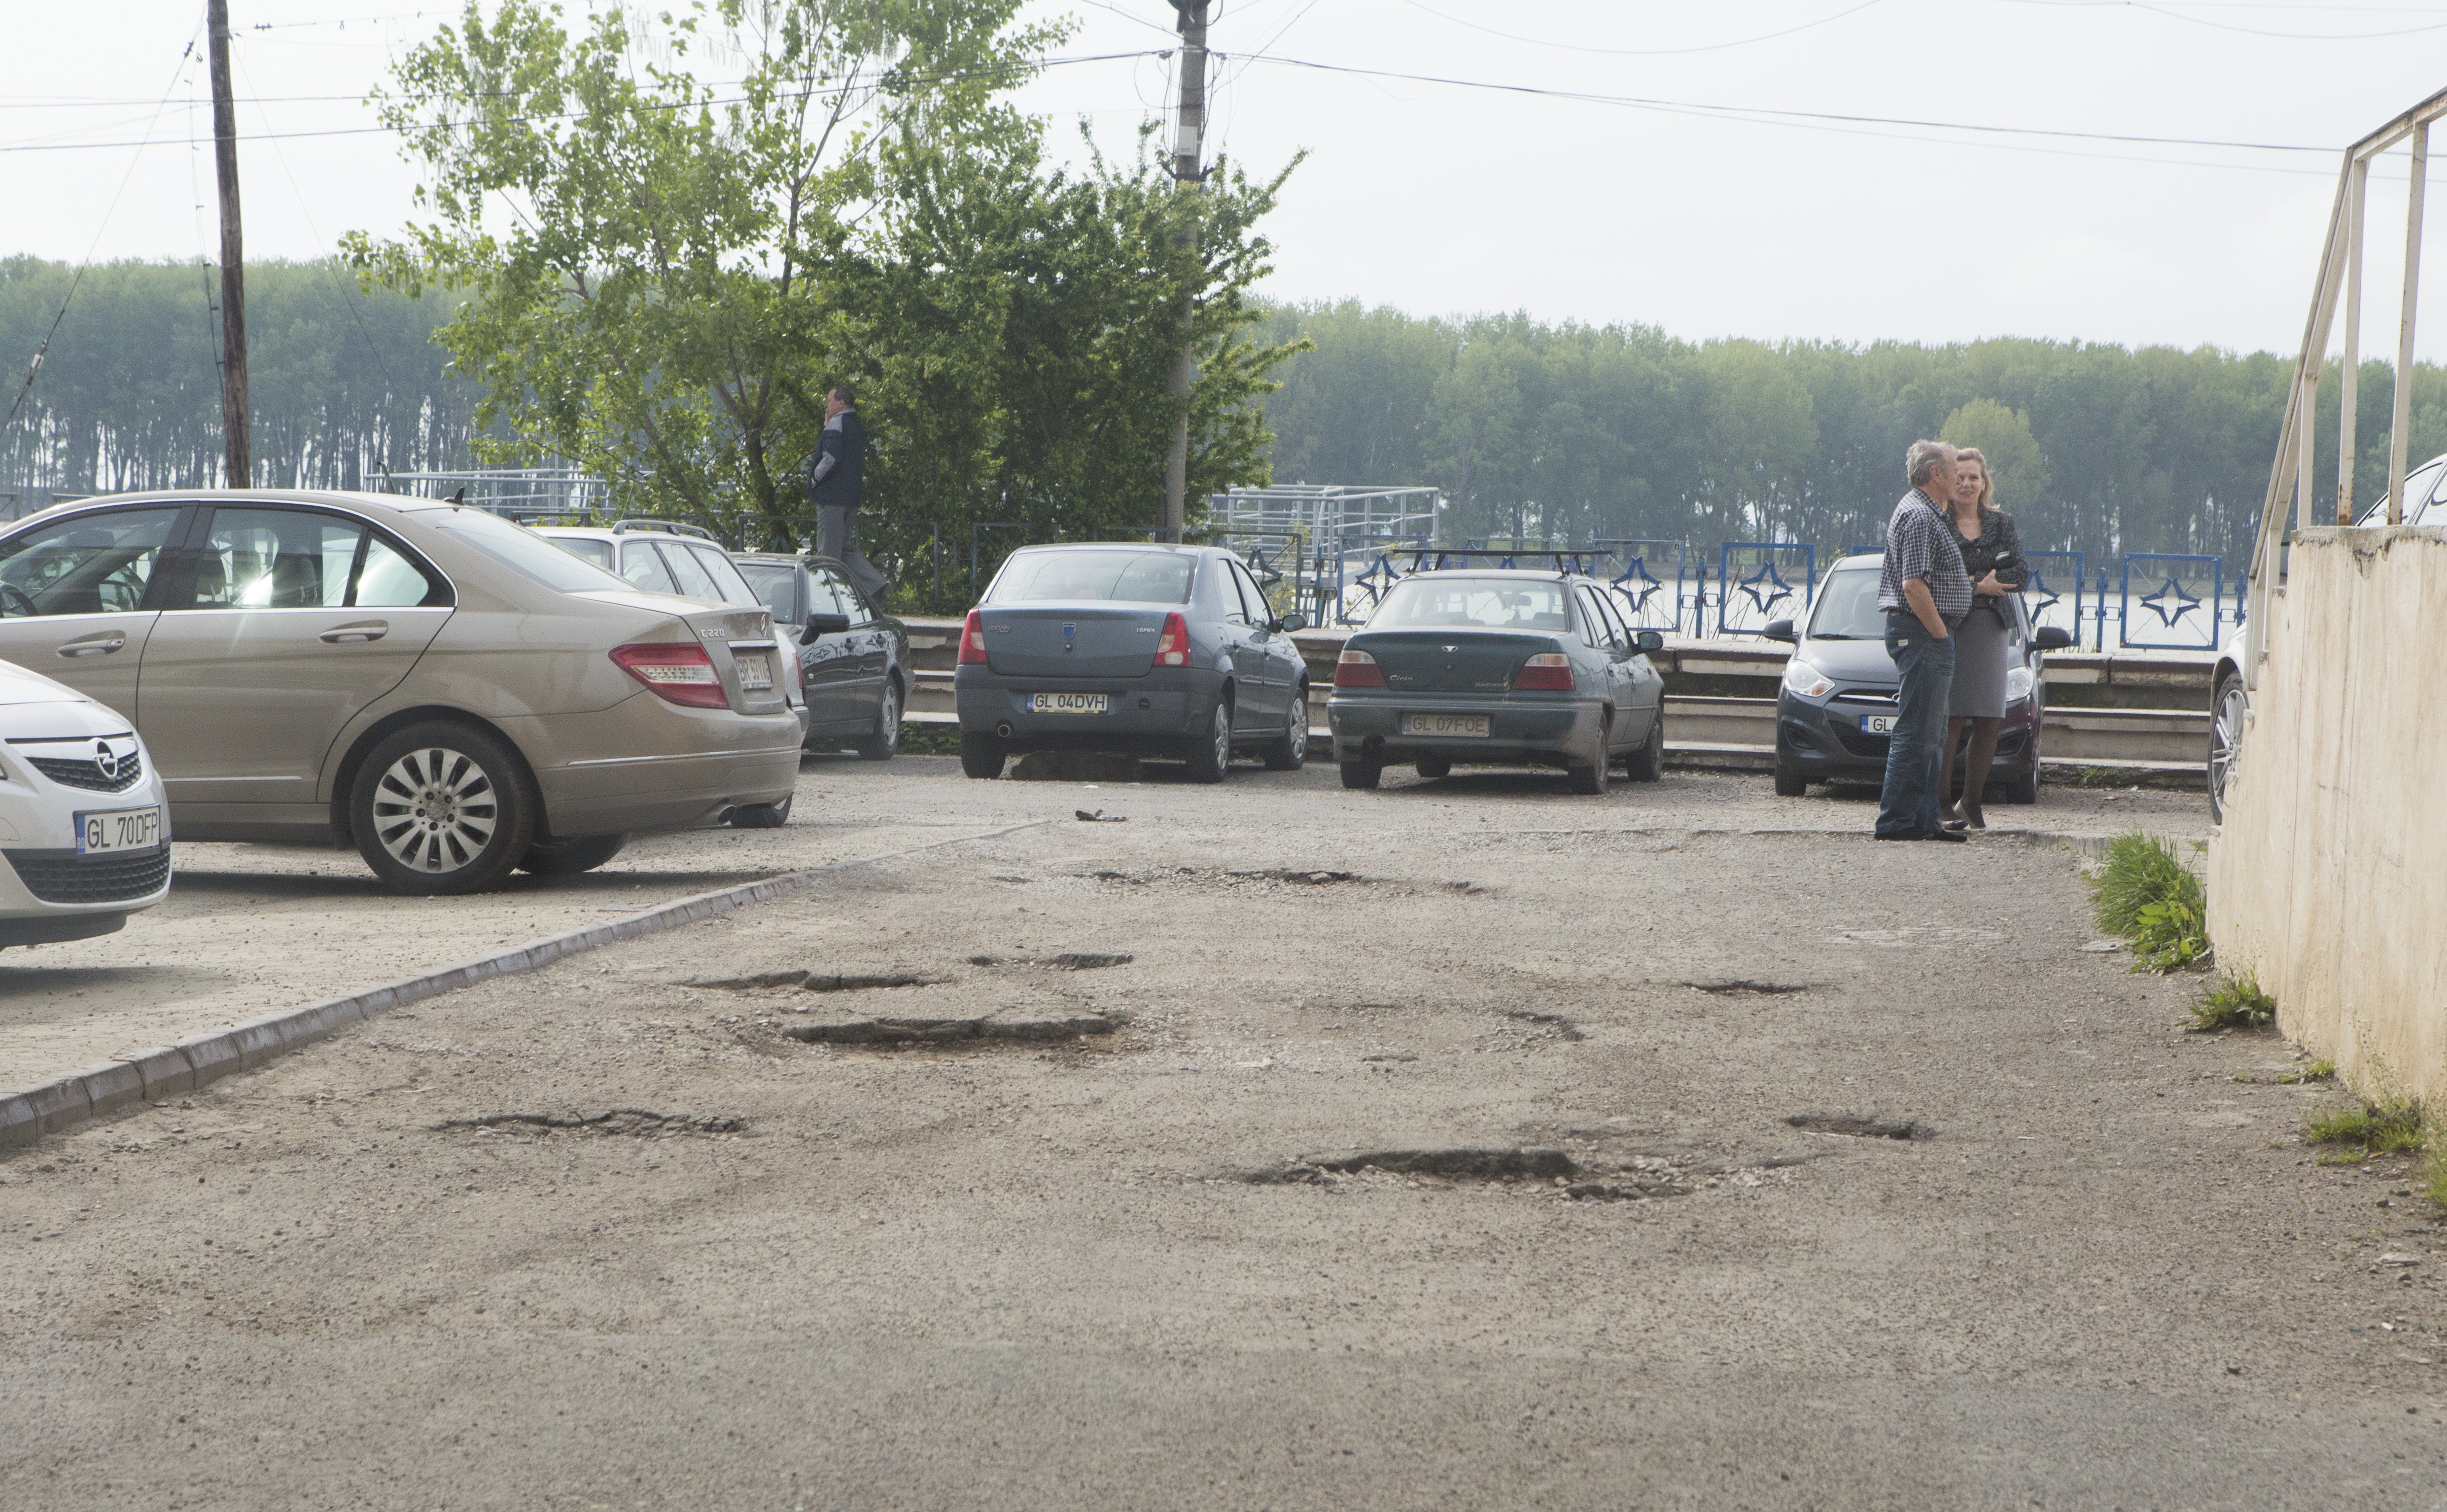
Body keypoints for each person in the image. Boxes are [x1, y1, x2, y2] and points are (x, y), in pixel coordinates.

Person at [1874, 439, 1973, 842]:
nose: (1959, 478)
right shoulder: (1919, 516)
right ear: (1936, 474)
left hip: (1927, 634)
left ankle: (1923, 820)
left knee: (1930, 733)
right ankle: (1897, 821)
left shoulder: (1929, 514)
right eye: (1953, 470)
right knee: (1917, 731)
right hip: (1921, 634)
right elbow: (1913, 584)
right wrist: (1938, 633)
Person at [1935, 447, 2026, 829]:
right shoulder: (1938, 522)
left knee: (1990, 717)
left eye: (1974, 477)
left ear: (1984, 482)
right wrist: (1979, 584)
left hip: (1992, 627)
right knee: (1952, 718)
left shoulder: (2002, 523)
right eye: (1960, 478)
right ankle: (1940, 802)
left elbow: (2020, 571)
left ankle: (1971, 801)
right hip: (1952, 625)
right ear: (1948, 481)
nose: (1967, 484)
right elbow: (1938, 578)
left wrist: (1995, 583)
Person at [807, 385, 885, 603]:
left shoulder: (837, 423)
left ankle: (825, 602)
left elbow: (830, 458)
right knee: (845, 548)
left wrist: (815, 478)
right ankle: (874, 586)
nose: (827, 404)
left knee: (827, 553)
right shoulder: (854, 424)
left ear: (841, 403)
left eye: (830, 400)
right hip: (851, 497)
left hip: (832, 497)